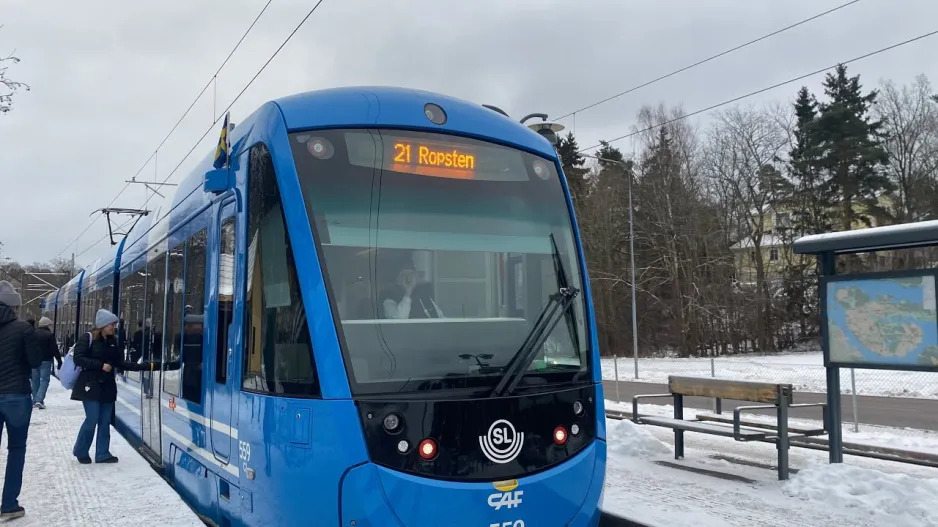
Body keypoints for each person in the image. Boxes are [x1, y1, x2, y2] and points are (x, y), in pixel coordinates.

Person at [70, 309, 146, 464]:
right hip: (90, 385)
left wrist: (145, 366)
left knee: (105, 421)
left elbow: (120, 362)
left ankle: (102, 453)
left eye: (115, 324)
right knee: (92, 419)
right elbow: (78, 358)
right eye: (112, 324)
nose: (114, 327)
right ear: (103, 325)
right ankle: (81, 450)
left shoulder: (113, 341)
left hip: (108, 386)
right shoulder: (87, 338)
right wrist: (100, 365)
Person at [0, 281, 41, 519]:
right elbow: (35, 362)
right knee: (16, 449)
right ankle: (8, 506)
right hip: (17, 396)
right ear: (14, 307)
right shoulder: (24, 329)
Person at [31, 317, 61, 409]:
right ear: (47, 325)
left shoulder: (32, 333)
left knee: (34, 380)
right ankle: (39, 400)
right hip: (46, 360)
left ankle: (35, 399)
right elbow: (54, 349)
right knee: (44, 380)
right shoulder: (49, 335)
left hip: (34, 360)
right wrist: (59, 360)